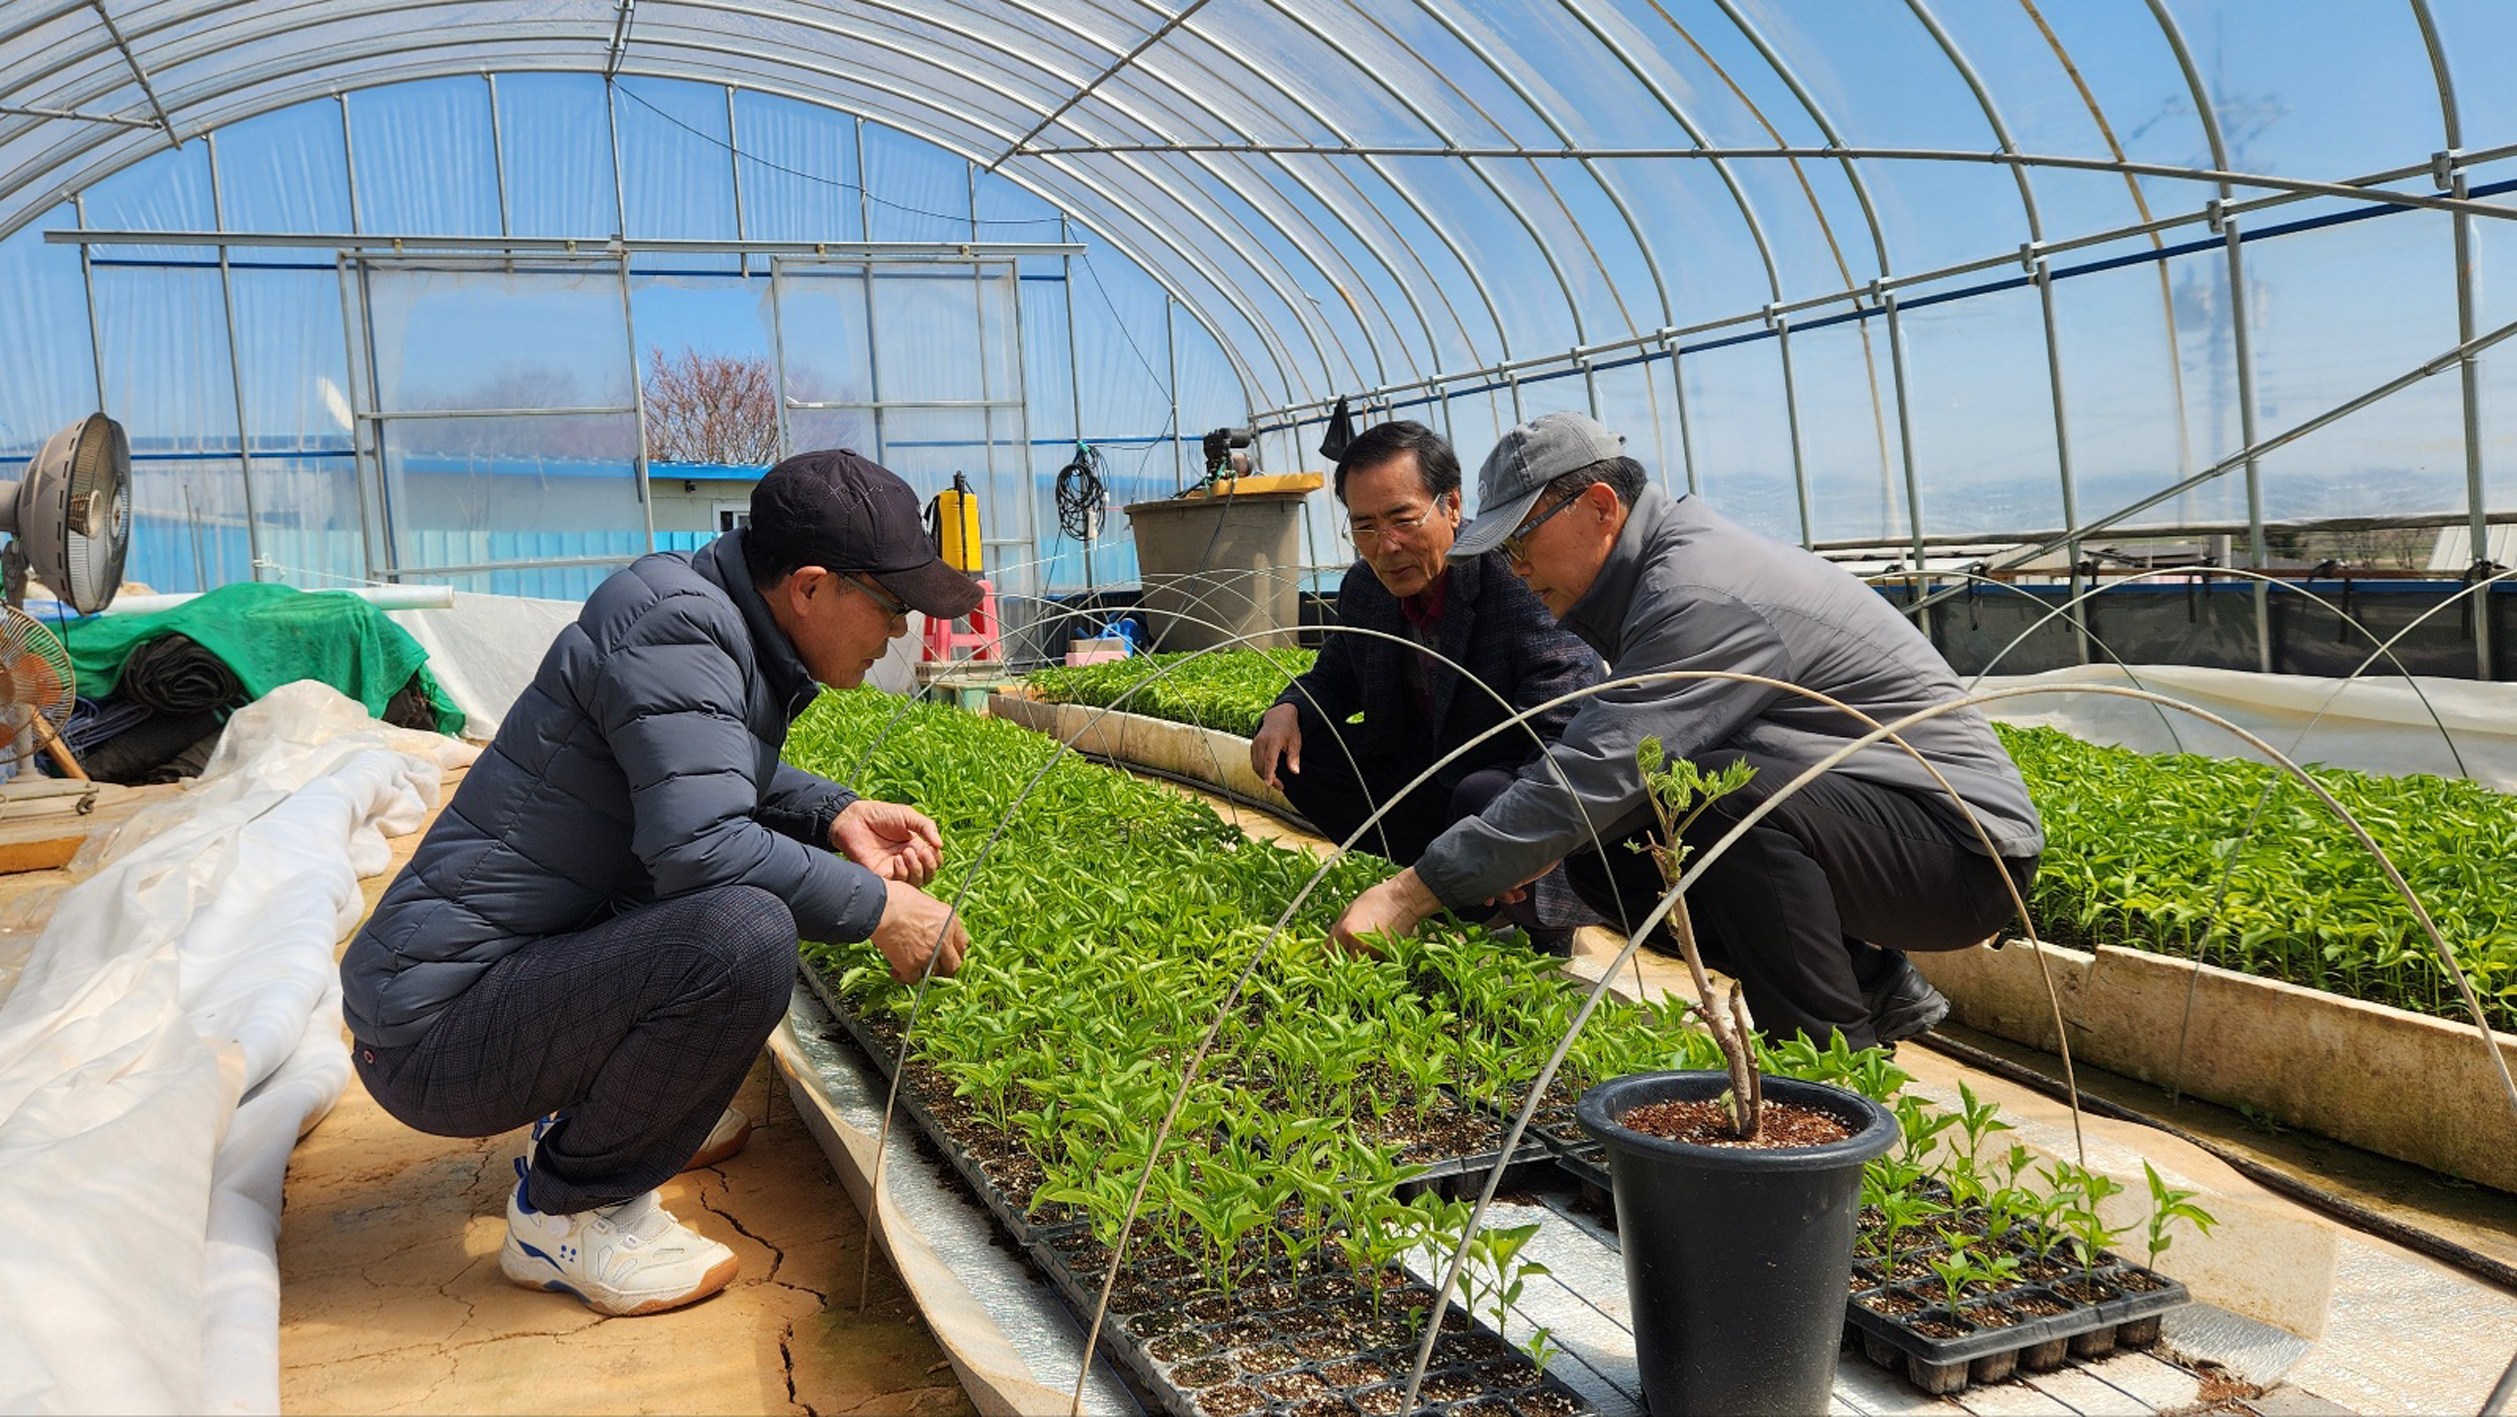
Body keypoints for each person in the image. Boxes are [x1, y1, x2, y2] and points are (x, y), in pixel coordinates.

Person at [341, 448, 977, 1317]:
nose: (900, 632)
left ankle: (615, 1116)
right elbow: (703, 842)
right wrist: (879, 907)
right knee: (743, 933)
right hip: (431, 1032)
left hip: (464, 990)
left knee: (709, 893)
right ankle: (569, 1212)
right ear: (811, 587)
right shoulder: (679, 624)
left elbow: (700, 766)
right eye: (892, 606)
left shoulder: (702, 611)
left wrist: (835, 813)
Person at [1329, 412, 2042, 1052]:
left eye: (1520, 541)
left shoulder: (1692, 589)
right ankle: (1868, 980)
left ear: (1600, 507)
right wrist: (1544, 837)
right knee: (1606, 850)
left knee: (1721, 802)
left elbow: (1596, 767)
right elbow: (1617, 758)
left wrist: (1406, 894)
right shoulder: (1649, 574)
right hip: (1872, 826)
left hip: (1961, 850)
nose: (1514, 567)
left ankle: (1829, 1072)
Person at [1251, 420, 1602, 952]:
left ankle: (1544, 921)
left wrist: (1516, 827)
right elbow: (1336, 674)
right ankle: (1450, 889)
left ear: (1452, 506)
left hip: (1507, 785)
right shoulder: (1366, 588)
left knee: (1482, 794)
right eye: (1364, 526)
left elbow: (1565, 727)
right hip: (1430, 779)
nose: (1386, 546)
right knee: (1302, 753)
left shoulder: (1517, 578)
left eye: (1403, 520)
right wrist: (1288, 708)